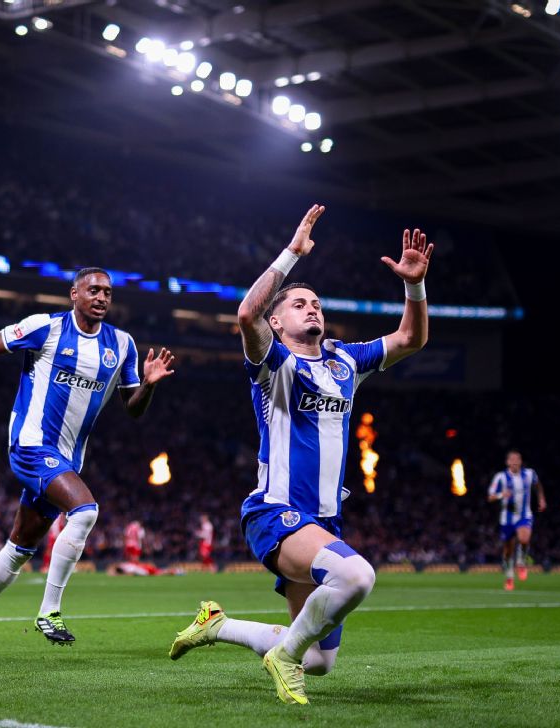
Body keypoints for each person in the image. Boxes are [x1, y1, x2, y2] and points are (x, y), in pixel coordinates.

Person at [168, 205, 432, 705]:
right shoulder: (274, 363)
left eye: (316, 304)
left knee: (319, 661)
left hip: (324, 521)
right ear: (277, 321)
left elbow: (411, 339)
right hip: (276, 512)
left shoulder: (345, 360)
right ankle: (282, 657)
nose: (312, 309)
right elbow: (246, 315)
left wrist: (414, 286)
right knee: (357, 575)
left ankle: (217, 625)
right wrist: (292, 252)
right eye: (299, 304)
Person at [0, 268, 176, 655]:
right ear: (74, 294)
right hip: (31, 444)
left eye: (107, 292)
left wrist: (149, 385)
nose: (101, 297)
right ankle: (49, 611)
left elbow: (133, 409)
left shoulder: (122, 344)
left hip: (68, 457)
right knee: (85, 511)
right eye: (93, 290)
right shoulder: (46, 327)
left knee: (20, 547)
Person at [487, 450, 546, 591]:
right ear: (507, 462)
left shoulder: (530, 474)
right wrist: (502, 494)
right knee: (508, 550)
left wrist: (541, 499)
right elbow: (490, 497)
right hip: (507, 518)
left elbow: (538, 485)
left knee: (524, 539)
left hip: (524, 515)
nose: (514, 461)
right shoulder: (500, 477)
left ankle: (521, 561)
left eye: (517, 459)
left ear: (520, 461)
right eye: (512, 459)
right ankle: (509, 577)